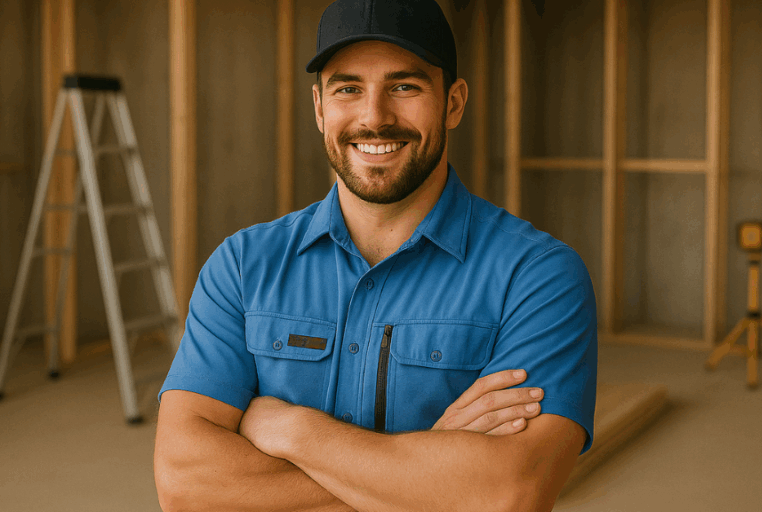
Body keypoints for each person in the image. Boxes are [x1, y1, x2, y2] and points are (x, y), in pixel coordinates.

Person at [154, 0, 598, 510]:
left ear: (453, 103)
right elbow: (183, 484)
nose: (374, 118)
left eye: (404, 87)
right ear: (319, 108)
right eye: (348, 89)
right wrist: (430, 473)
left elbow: (507, 494)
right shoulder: (242, 266)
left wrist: (295, 430)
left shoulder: (539, 277)